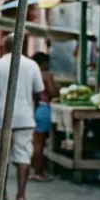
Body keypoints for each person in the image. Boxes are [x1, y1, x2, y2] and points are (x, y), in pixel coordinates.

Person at [0, 34, 45, 200]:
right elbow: (39, 92)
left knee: (3, 156)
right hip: (25, 117)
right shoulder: (32, 65)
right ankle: (21, 195)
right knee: (23, 155)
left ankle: (1, 192)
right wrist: (30, 105)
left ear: (2, 48)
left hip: (3, 117)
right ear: (22, 47)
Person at [30, 52, 61, 182]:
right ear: (43, 63)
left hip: (34, 108)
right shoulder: (46, 75)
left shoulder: (31, 73)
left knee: (35, 142)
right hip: (43, 108)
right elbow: (53, 92)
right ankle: (38, 172)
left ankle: (35, 169)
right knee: (40, 143)